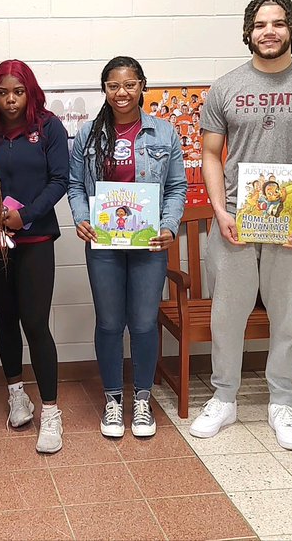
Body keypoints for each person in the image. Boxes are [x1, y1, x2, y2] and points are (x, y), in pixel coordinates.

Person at [192, 0, 292, 451]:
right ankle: (224, 397)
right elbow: (211, 155)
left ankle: (282, 402)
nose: (268, 32)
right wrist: (220, 211)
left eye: (277, 23)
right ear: (248, 32)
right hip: (236, 218)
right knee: (226, 317)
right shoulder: (226, 86)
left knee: (288, 317)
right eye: (259, 24)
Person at [68, 56, 186, 440]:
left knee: (144, 323)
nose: (122, 92)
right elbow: (74, 184)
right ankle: (114, 399)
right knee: (108, 322)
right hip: (104, 243)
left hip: (149, 244)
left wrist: (169, 226)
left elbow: (176, 187)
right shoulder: (88, 134)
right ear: (104, 89)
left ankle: (142, 399)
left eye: (130, 84)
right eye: (114, 85)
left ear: (142, 86)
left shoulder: (164, 133)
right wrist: (81, 217)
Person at [0, 60, 68, 453]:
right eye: (2, 92)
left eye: (18, 92)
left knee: (35, 322)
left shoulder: (48, 127)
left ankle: (51, 412)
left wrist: (25, 215)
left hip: (36, 240)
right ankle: (17, 393)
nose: (10, 100)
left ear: (30, 92)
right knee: (6, 319)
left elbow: (59, 179)